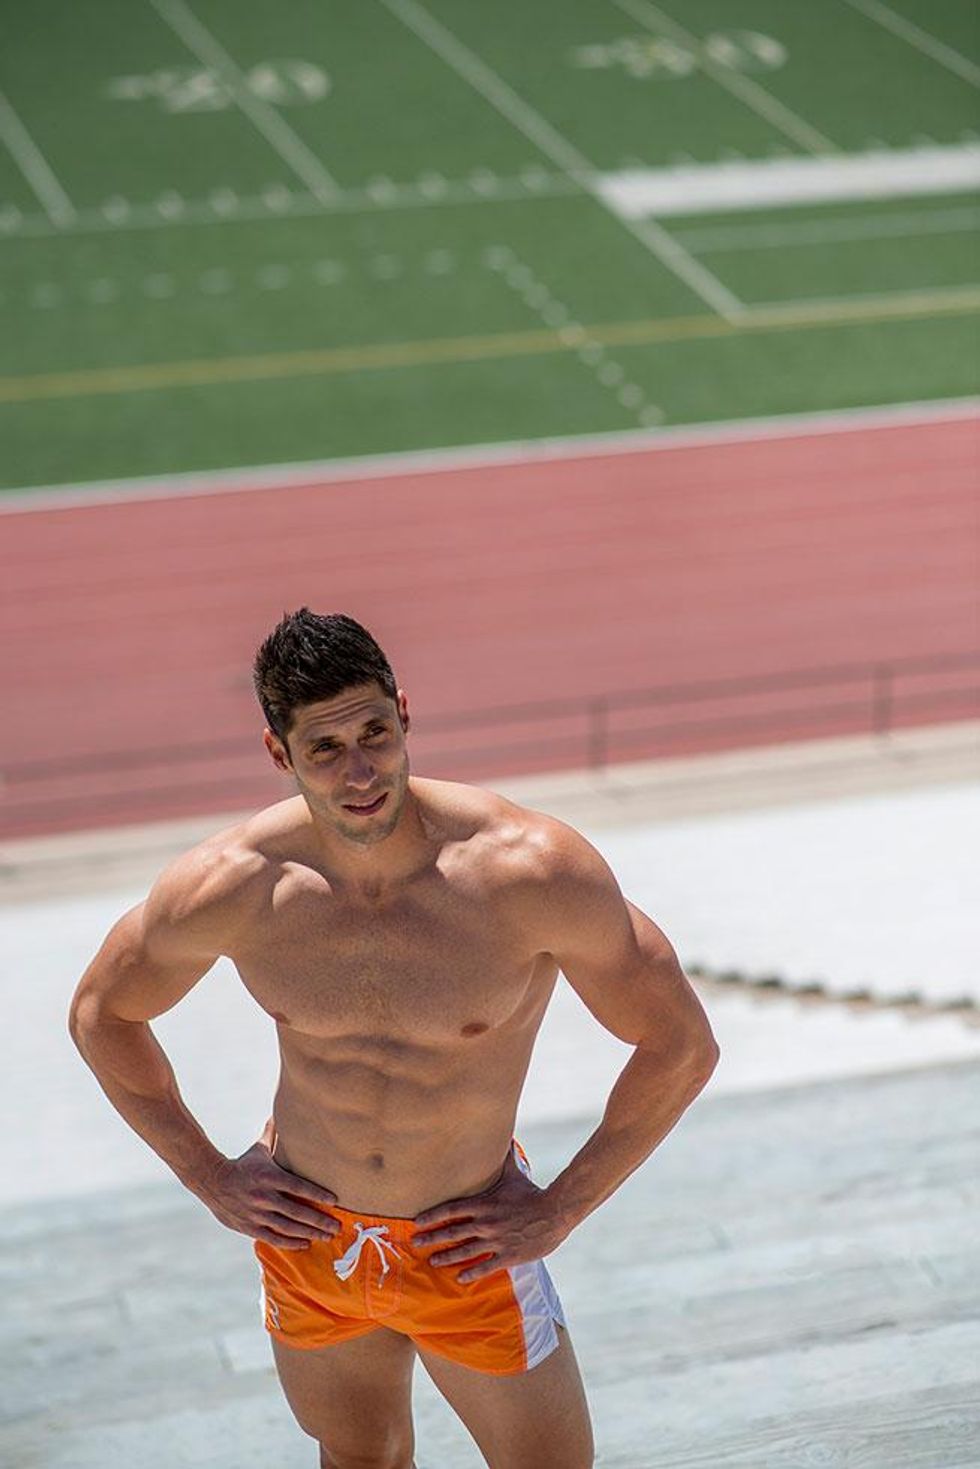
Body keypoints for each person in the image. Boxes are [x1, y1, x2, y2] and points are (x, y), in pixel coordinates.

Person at [69, 608, 720, 1469]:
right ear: (279, 753)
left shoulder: (526, 870)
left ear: (404, 712)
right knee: (359, 1457)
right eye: (325, 748)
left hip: (467, 1243)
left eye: (375, 732)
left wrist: (562, 1206)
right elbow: (102, 1013)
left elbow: (680, 1044)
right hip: (310, 1241)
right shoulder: (236, 885)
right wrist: (209, 1176)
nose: (361, 770)